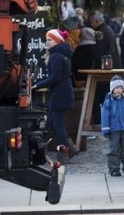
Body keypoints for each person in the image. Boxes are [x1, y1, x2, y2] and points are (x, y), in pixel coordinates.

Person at [32, 29, 78, 162]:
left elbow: (55, 78)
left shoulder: (56, 56)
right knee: (52, 122)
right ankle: (70, 146)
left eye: (50, 39)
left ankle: (64, 152)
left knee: (58, 125)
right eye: (46, 39)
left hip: (60, 94)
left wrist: (37, 85)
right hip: (61, 92)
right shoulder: (60, 54)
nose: (47, 42)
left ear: (57, 41)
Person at [101, 76, 124, 176]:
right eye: (116, 88)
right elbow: (105, 115)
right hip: (113, 129)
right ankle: (114, 169)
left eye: (120, 88)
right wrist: (105, 128)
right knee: (113, 149)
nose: (118, 90)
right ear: (112, 89)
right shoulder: (108, 101)